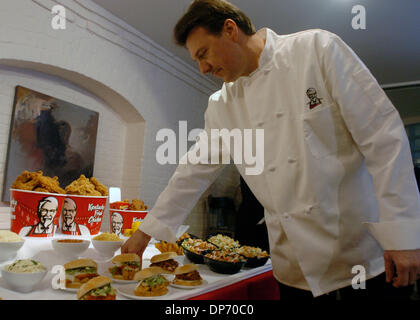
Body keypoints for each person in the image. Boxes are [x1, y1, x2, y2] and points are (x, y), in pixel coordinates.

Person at [122, 0, 420, 299]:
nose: (202, 69)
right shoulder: (221, 105)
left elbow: (383, 138)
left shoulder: (317, 49)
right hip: (293, 265)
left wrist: (403, 234)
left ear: (229, 30)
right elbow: (192, 172)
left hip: (361, 256)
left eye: (203, 54)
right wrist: (143, 233)